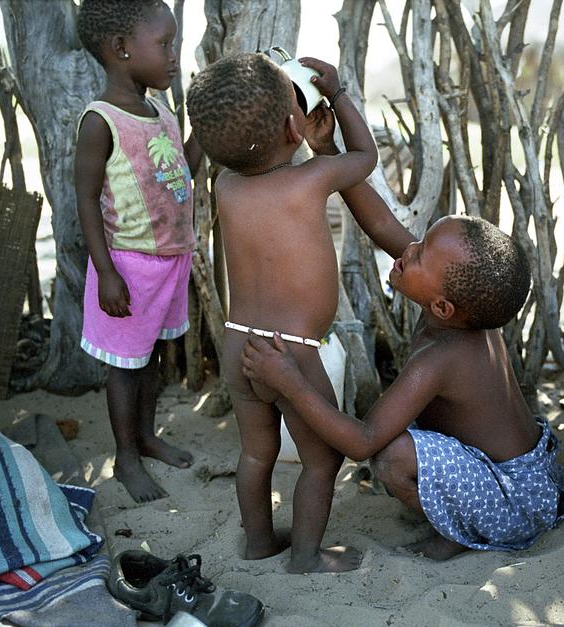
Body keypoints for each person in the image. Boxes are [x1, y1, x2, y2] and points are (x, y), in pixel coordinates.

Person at [239, 198, 564, 560]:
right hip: (528, 477)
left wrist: (290, 382)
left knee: (392, 457)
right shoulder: (461, 302)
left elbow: (363, 442)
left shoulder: (441, 358)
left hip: (514, 500)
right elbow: (382, 226)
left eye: (420, 253)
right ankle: (466, 519)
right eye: (421, 241)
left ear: (442, 307)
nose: (408, 249)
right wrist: (336, 156)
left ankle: (462, 534)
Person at [185, 53, 379, 573]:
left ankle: (257, 543)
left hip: (238, 344)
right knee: (321, 459)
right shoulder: (310, 181)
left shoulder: (225, 187)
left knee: (256, 454)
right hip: (294, 351)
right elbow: (365, 156)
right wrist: (336, 94)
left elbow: (246, 151)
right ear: (295, 127)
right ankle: (308, 557)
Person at [74, 0, 203, 504]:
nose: (173, 56)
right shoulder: (101, 121)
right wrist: (105, 272)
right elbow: (84, 199)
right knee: (124, 367)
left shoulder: (161, 110)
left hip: (170, 259)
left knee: (147, 358)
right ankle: (125, 456)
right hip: (127, 263)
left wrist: (203, 138)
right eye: (165, 45)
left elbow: (181, 176)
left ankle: (146, 437)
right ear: (122, 48)